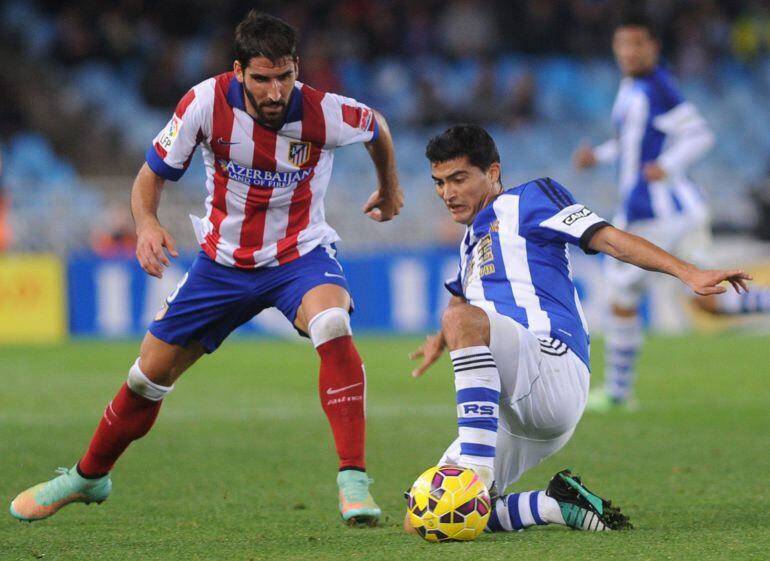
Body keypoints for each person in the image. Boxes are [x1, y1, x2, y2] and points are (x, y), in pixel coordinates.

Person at [10, 11, 402, 525]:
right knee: (146, 378)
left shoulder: (325, 112)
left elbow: (378, 127)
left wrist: (390, 186)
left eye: (283, 76)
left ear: (296, 68)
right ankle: (88, 477)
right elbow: (149, 176)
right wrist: (146, 224)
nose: (274, 90)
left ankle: (353, 479)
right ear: (239, 71)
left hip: (298, 255)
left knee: (331, 322)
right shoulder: (203, 103)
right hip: (221, 265)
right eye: (261, 78)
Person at [405, 124, 749, 533]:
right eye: (439, 183)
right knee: (424, 517)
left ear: (493, 172)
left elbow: (609, 239)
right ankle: (551, 505)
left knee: (460, 325)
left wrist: (687, 271)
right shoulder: (468, 244)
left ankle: (476, 476)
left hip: (553, 364)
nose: (447, 193)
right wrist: (440, 340)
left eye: (458, 178)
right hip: (517, 413)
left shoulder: (529, 199)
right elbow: (459, 299)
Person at [572, 13, 770, 410]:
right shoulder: (632, 87)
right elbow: (633, 142)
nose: (629, 52)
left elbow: (700, 134)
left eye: (637, 45)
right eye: (622, 44)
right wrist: (600, 154)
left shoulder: (658, 86)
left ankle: (617, 393)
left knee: (620, 295)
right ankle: (618, 392)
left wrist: (670, 165)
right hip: (681, 209)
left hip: (655, 213)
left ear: (653, 48)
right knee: (707, 299)